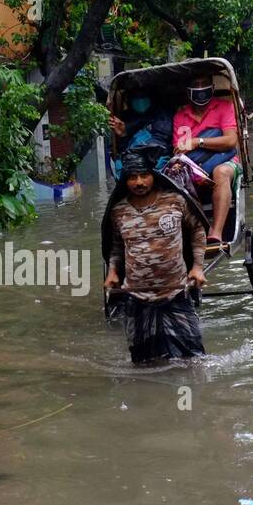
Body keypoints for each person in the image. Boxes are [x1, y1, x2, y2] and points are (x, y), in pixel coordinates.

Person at [102, 150, 208, 364]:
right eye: (132, 177)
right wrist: (113, 271)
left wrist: (197, 267)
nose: (139, 182)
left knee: (193, 360)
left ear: (153, 175)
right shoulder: (118, 211)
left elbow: (197, 229)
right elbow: (116, 247)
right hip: (137, 295)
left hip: (176, 291)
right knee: (142, 362)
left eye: (143, 175)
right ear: (125, 180)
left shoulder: (175, 201)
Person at [172, 75, 240, 248]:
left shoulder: (224, 107)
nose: (201, 88)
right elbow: (180, 149)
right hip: (194, 167)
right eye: (196, 84)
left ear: (211, 87)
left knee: (221, 172)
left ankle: (216, 232)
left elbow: (230, 141)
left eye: (204, 84)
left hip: (227, 161)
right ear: (189, 90)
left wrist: (197, 142)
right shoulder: (181, 116)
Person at [108, 92, 172, 179]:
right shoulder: (125, 119)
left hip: (157, 162)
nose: (140, 101)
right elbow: (121, 150)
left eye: (143, 96)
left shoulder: (162, 116)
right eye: (136, 97)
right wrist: (123, 134)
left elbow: (161, 142)